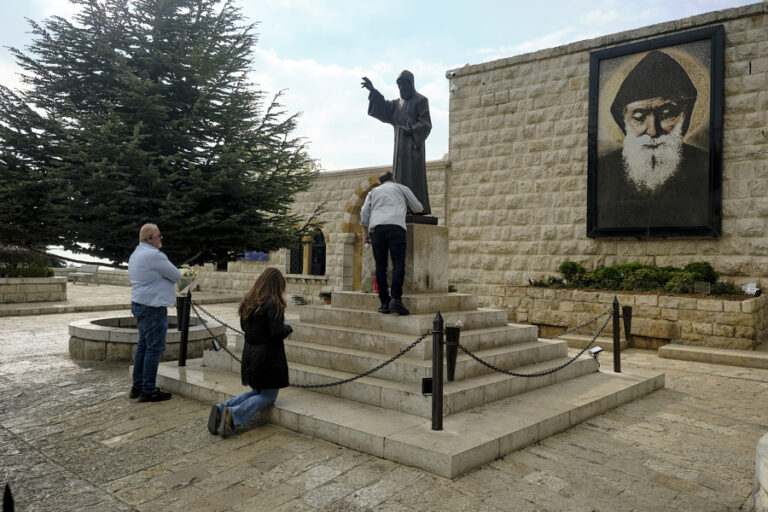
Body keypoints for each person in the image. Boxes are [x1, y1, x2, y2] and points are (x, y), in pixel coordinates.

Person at [597, 50, 709, 230]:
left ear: (685, 117)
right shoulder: (603, 169)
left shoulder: (705, 165)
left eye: (667, 114)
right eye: (639, 117)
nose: (653, 130)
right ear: (623, 120)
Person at [208, 268, 292, 438]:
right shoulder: (273, 304)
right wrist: (288, 329)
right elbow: (276, 331)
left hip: (251, 353)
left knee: (256, 391)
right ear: (277, 286)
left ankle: (223, 407)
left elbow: (245, 328)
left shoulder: (248, 301)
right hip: (268, 356)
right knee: (268, 396)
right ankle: (234, 416)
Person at [361, 71, 432, 215]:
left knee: (413, 177)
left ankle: (415, 208)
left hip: (413, 148)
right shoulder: (397, 104)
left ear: (410, 85)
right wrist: (373, 91)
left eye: (403, 85)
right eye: (398, 86)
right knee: (399, 176)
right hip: (399, 149)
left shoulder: (421, 100)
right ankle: (401, 207)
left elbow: (426, 124)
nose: (401, 89)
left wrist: (411, 129)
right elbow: (384, 108)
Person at [128, 223, 182, 402]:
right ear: (150, 238)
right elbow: (176, 275)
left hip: (140, 304)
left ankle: (137, 386)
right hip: (152, 308)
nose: (161, 238)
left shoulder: (136, 253)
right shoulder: (153, 255)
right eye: (159, 235)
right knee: (154, 348)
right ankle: (148, 390)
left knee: (143, 346)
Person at [360, 171, 424, 316]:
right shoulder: (401, 188)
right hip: (395, 227)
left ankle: (384, 303)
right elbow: (418, 208)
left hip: (376, 228)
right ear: (393, 179)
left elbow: (364, 215)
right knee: (398, 262)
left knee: (380, 265)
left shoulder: (373, 192)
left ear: (381, 181)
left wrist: (366, 235)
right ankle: (395, 299)